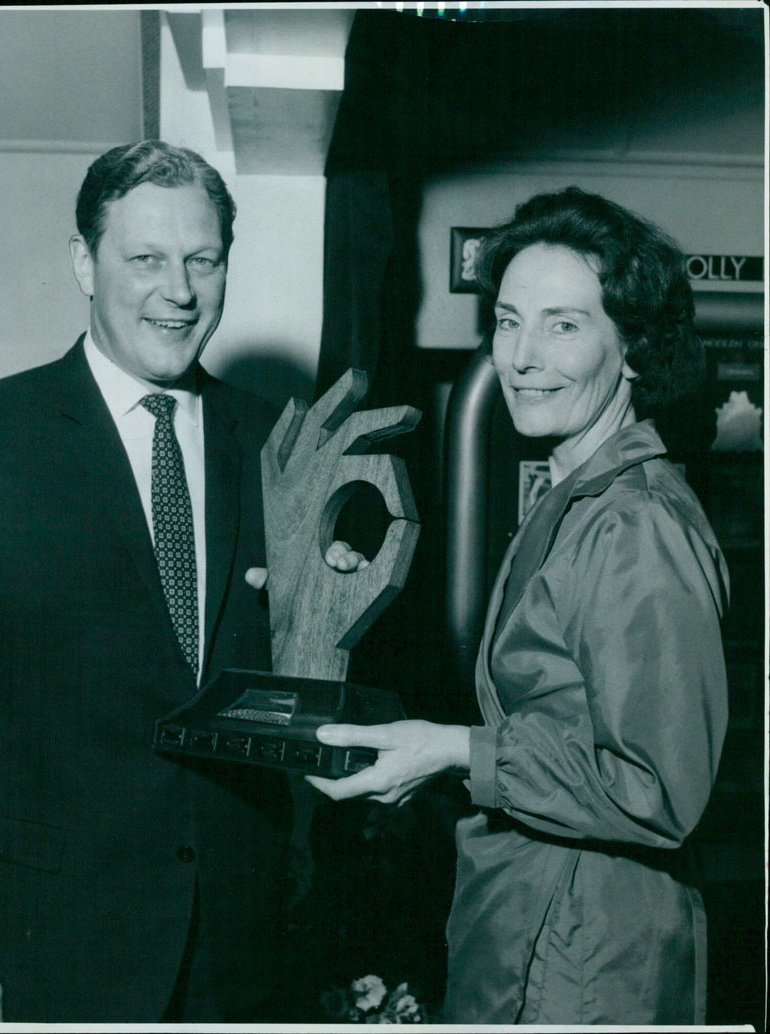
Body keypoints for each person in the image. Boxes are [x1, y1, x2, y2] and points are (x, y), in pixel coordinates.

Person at [307, 187, 729, 1026]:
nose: (522, 357)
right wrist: (436, 762)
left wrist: (456, 750)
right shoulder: (572, 495)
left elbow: (659, 788)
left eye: (564, 325)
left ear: (633, 349)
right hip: (536, 929)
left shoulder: (636, 521)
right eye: (507, 321)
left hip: (585, 957)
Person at [0, 139, 361, 1023]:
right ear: (84, 261)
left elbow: (287, 683)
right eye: (144, 258)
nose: (178, 290)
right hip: (50, 941)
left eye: (203, 260)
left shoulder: (279, 447)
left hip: (241, 937)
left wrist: (326, 604)